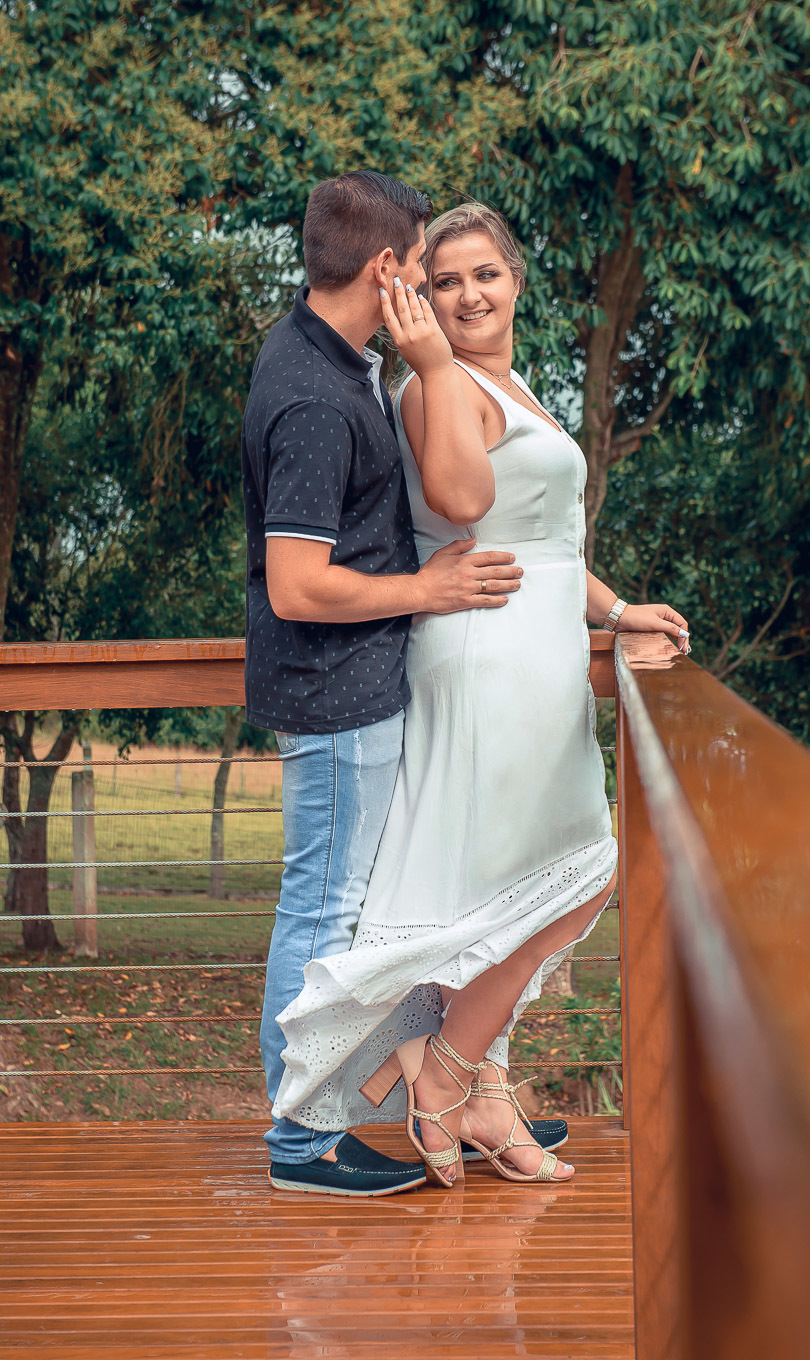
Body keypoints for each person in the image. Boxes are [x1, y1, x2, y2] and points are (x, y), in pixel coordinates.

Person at [272, 203, 691, 1185]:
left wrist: (618, 610)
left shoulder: (508, 381)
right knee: (576, 869)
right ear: (418, 292)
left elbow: (545, 538)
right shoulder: (436, 385)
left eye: (482, 275)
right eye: (444, 279)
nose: (465, 294)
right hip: (483, 651)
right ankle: (443, 1072)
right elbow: (462, 507)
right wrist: (432, 369)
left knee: (513, 881)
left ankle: (483, 1101)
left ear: (515, 279)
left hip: (539, 646)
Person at [242, 174, 528, 1197]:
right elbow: (296, 584)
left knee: (368, 919)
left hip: (357, 690)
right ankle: (299, 1144)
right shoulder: (316, 399)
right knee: (321, 919)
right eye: (417, 260)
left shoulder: (332, 358)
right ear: (384, 268)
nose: (430, 280)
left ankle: (417, 1101)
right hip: (332, 698)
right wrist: (431, 586)